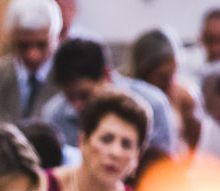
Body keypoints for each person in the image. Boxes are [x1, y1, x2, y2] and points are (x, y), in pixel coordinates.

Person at [42, 37, 179, 157]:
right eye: (69, 97)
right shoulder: (54, 114)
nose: (76, 105)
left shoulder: (153, 104)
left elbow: (163, 168)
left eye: (84, 95)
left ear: (106, 75)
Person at [0, 0, 63, 129]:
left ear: (56, 38)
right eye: (24, 45)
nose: (33, 54)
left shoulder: (68, 83)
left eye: (41, 45)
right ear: (10, 38)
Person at [130, 28, 202, 151]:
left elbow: (194, 144)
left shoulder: (184, 96)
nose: (170, 84)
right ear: (144, 72)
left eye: (173, 76)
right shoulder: (129, 96)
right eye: (162, 78)